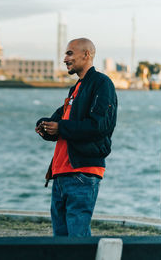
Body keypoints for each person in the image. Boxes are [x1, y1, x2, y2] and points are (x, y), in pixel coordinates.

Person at [35, 38, 117, 237]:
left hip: (82, 173)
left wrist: (60, 127)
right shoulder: (76, 89)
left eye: (70, 53)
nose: (65, 59)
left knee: (77, 241)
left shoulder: (101, 83)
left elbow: (99, 126)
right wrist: (45, 128)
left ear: (86, 54)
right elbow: (61, 122)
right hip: (61, 174)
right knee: (61, 241)